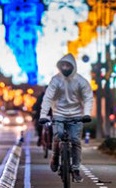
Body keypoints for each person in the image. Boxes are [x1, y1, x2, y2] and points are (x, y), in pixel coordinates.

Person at [39, 54, 93, 183]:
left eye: (68, 65)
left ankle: (75, 169)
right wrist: (43, 115)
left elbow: (88, 98)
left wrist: (86, 114)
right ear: (59, 66)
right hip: (59, 113)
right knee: (58, 136)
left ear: (73, 66)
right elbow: (48, 98)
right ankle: (55, 157)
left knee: (75, 141)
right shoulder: (55, 80)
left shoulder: (81, 81)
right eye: (62, 65)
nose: (65, 67)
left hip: (77, 115)